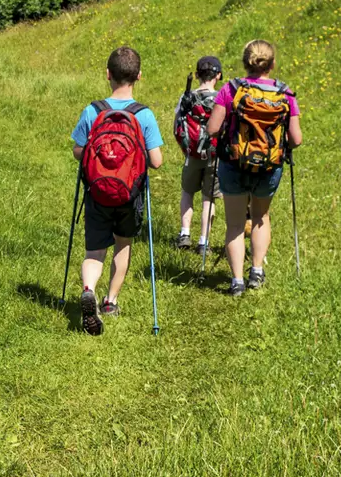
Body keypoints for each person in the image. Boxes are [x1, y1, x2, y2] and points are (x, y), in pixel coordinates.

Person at [71, 45, 166, 334]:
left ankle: (88, 288)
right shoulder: (144, 115)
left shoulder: (93, 110)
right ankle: (110, 301)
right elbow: (157, 162)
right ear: (139, 76)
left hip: (98, 192)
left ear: (107, 74)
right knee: (122, 244)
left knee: (94, 250)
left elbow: (78, 151)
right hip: (129, 194)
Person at [206, 39, 301, 297]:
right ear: (272, 64)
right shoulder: (285, 93)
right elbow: (296, 139)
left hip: (233, 163)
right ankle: (256, 272)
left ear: (245, 62)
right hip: (269, 167)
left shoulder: (231, 89)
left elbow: (213, 129)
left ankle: (236, 280)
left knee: (235, 224)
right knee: (261, 218)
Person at [172, 55, 224, 257]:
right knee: (208, 198)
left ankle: (185, 233)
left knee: (187, 192)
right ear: (218, 75)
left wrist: (185, 148)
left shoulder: (187, 97)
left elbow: (177, 124)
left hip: (191, 154)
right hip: (214, 155)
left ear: (197, 75)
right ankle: (204, 241)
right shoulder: (221, 99)